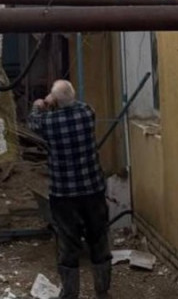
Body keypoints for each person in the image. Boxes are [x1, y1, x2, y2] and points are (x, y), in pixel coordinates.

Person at [28, 80, 111, 299]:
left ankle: (70, 293)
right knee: (98, 238)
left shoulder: (49, 122)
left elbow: (33, 122)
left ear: (55, 101)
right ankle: (102, 290)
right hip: (92, 189)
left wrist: (40, 104)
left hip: (63, 193)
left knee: (67, 242)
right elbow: (77, 105)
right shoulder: (87, 113)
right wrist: (59, 100)